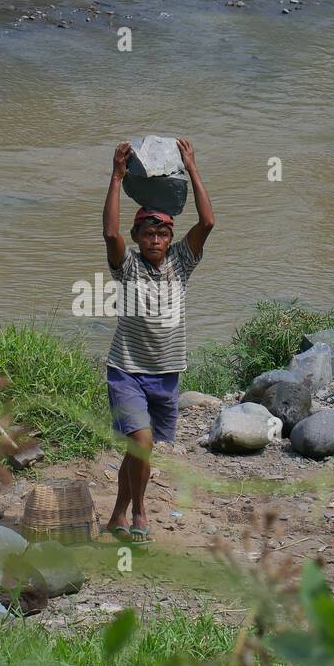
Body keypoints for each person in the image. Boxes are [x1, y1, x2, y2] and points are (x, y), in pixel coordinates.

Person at [101, 138, 215, 543]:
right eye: (148, 233)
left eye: (162, 234)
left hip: (166, 375)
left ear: (170, 239)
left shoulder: (182, 264)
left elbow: (207, 224)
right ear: (137, 237)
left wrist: (192, 167)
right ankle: (140, 512)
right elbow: (110, 232)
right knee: (142, 444)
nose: (155, 240)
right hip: (126, 371)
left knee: (137, 451)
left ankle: (116, 514)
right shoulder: (127, 267)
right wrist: (116, 177)